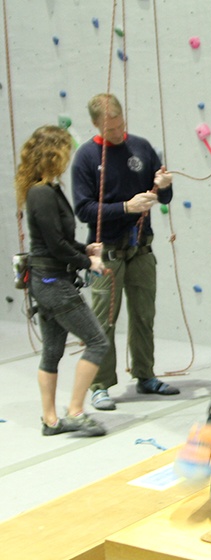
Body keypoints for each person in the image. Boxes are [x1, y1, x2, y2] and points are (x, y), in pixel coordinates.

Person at [72, 93, 179, 411]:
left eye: (121, 125)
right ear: (96, 125)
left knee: (145, 315)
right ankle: (100, 384)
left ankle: (145, 375)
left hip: (142, 248)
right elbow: (83, 209)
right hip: (107, 252)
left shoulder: (141, 147)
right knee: (104, 319)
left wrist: (165, 183)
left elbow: (163, 197)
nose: (119, 133)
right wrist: (125, 207)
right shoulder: (87, 157)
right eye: (111, 128)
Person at [16, 125, 109, 436]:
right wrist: (88, 262)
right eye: (65, 151)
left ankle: (51, 420)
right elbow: (54, 245)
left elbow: (56, 240)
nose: (69, 157)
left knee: (53, 351)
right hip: (52, 282)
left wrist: (85, 249)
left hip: (49, 280)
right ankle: (76, 411)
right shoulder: (40, 192)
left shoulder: (49, 189)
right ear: (53, 155)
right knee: (97, 341)